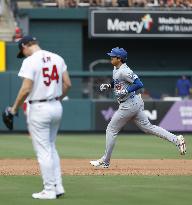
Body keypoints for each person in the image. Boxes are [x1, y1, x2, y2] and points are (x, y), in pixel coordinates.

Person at [90, 47, 186, 168]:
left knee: (111, 130)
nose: (111, 57)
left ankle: (105, 161)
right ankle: (177, 140)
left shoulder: (125, 70)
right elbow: (118, 82)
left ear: (119, 59)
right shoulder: (116, 68)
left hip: (128, 104)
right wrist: (109, 85)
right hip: (133, 102)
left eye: (113, 56)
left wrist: (126, 90)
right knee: (148, 128)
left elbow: (139, 84)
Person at [9, 36, 72, 199]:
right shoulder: (58, 58)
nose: (23, 54)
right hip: (56, 106)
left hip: (38, 108)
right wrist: (58, 97)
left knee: (43, 150)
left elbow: (25, 89)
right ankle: (58, 186)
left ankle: (49, 189)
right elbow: (68, 84)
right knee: (51, 146)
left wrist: (14, 107)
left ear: (24, 46)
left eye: (22, 51)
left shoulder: (30, 61)